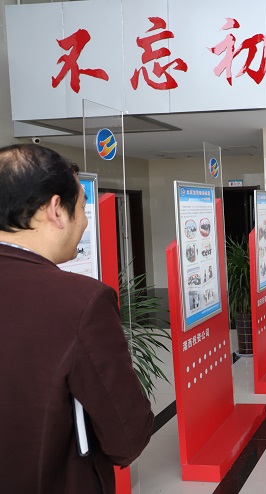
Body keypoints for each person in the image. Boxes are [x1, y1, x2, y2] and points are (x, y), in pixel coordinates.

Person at [0, 144, 154, 493]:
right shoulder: (81, 301)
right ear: (56, 209)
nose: (84, 221)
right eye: (83, 208)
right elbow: (127, 435)